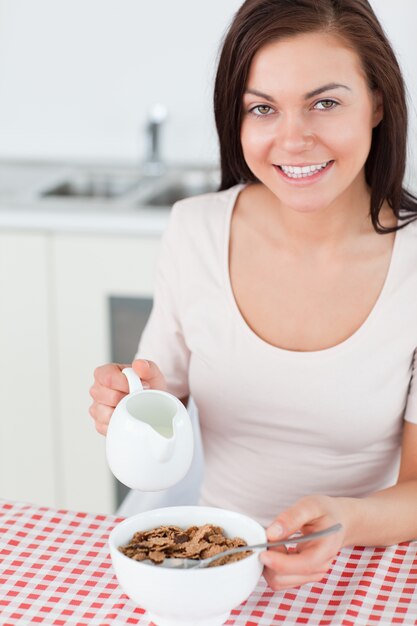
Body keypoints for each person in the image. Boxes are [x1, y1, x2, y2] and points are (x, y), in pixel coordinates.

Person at [89, 0, 417, 591]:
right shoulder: (195, 230)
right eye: (263, 108)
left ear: (378, 104)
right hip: (213, 565)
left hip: (368, 570)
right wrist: (134, 405)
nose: (293, 139)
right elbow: (162, 395)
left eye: (325, 102)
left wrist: (346, 518)